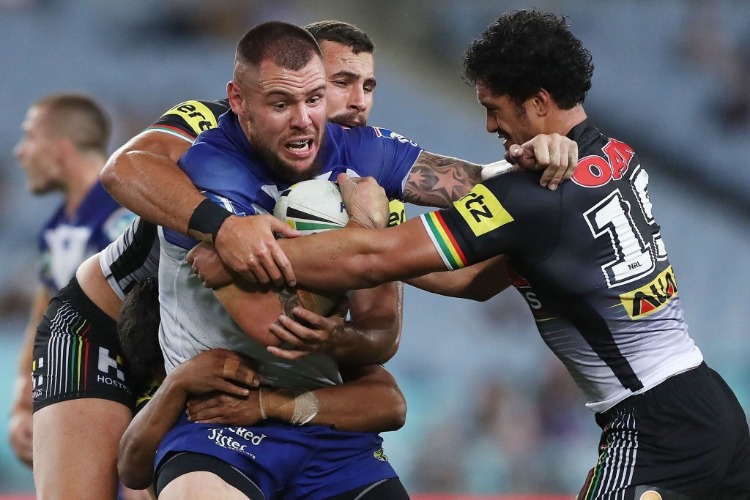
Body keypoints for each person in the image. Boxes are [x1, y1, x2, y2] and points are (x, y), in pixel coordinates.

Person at [268, 11, 750, 498]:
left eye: (494, 107)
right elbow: (474, 283)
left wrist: (364, 225)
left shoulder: (532, 197)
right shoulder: (613, 154)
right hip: (710, 404)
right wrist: (386, 236)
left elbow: (374, 257)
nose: (489, 123)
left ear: (539, 102)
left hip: (654, 424)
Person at [28, 20, 421, 500]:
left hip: (206, 333)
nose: (356, 102)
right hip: (106, 325)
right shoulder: (210, 134)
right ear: (246, 97)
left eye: (366, 86)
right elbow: (123, 170)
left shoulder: (351, 179)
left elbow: (436, 279)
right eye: (339, 84)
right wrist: (225, 228)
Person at [114, 277, 407, 492]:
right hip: (228, 454)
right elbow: (131, 468)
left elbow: (390, 405)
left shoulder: (286, 332)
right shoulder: (167, 389)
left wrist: (269, 404)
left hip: (332, 458)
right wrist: (179, 382)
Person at [8, 93, 135, 468]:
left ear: (60, 149)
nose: (20, 152)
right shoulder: (57, 228)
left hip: (133, 395)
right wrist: (22, 402)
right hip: (82, 392)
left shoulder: (125, 211)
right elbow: (43, 315)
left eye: (29, 137)